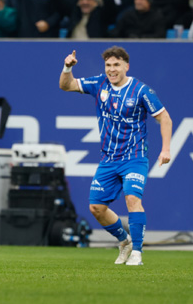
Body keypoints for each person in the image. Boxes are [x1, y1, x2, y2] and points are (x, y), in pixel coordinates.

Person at [59, 47, 172, 266]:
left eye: (116, 65)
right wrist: (67, 68)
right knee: (96, 208)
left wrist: (166, 149)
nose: (112, 70)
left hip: (135, 157)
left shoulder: (141, 91)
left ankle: (137, 253)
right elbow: (66, 85)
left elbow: (164, 118)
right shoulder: (99, 83)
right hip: (109, 159)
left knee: (132, 198)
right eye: (108, 65)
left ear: (126, 66)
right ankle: (124, 241)